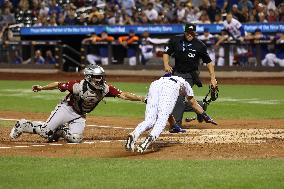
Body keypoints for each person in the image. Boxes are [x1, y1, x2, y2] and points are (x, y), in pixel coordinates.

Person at [10, 65, 145, 143]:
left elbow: (123, 94)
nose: (100, 79)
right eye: (97, 77)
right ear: (89, 77)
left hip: (80, 115)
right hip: (66, 109)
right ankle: (22, 125)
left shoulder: (105, 88)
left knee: (76, 139)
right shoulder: (77, 86)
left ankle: (60, 131)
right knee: (45, 132)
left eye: (102, 77)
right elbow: (58, 85)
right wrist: (41, 88)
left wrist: (140, 98)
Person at [125, 74, 217, 153]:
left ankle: (134, 134)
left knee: (149, 120)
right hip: (170, 87)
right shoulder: (185, 83)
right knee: (161, 121)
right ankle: (147, 142)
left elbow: (168, 113)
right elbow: (193, 103)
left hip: (154, 85)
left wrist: (174, 125)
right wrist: (205, 116)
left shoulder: (166, 79)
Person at [163, 23, 217, 129]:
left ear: (195, 33)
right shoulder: (175, 40)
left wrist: (213, 78)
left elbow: (208, 62)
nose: (190, 34)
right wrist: (166, 64)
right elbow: (166, 52)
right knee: (172, 98)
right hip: (176, 73)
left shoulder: (200, 45)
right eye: (188, 32)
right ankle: (200, 106)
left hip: (190, 75)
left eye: (192, 33)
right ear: (185, 32)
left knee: (178, 97)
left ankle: (176, 125)